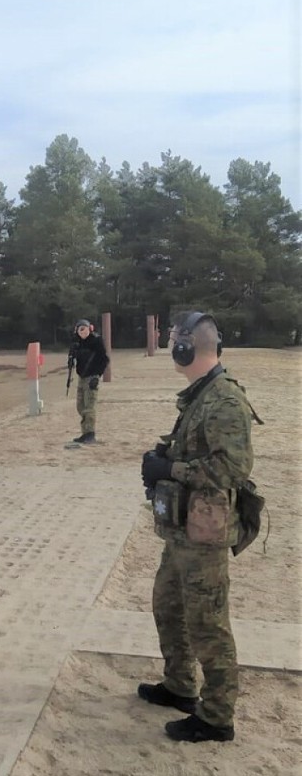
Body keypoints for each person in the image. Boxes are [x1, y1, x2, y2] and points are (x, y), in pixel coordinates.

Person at [138, 313, 254, 743]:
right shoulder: (201, 394)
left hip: (205, 532)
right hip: (183, 529)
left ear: (189, 347)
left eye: (173, 341)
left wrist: (173, 468)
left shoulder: (224, 399)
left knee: (208, 622)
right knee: (168, 606)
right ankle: (180, 685)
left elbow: (233, 467)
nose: (170, 347)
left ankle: (217, 715)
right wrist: (164, 457)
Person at [67, 319, 109, 446]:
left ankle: (90, 434)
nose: (82, 332)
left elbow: (104, 359)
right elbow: (73, 358)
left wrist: (98, 376)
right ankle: (85, 432)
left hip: (92, 377)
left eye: (84, 329)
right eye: (80, 329)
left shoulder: (96, 341)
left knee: (89, 407)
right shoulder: (77, 343)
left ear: (89, 329)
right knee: (80, 406)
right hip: (82, 377)